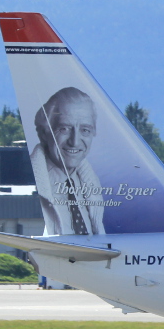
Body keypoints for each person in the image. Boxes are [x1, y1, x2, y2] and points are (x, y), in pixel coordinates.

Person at [30, 87, 105, 235]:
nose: (75, 141)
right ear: (44, 134)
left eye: (85, 130)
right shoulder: (33, 186)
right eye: (64, 129)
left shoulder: (90, 186)